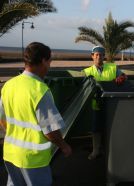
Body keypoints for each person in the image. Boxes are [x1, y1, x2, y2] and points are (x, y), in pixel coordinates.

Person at [0, 42, 72, 186]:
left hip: (10, 154)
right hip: (33, 159)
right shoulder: (40, 91)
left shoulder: (9, 85)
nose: (50, 65)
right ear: (44, 61)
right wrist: (64, 146)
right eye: (49, 61)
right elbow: (50, 131)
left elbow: (2, 119)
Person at [83, 46, 126, 160]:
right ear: (92, 56)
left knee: (113, 126)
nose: (98, 57)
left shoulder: (112, 67)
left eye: (101, 55)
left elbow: (123, 75)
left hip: (112, 102)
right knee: (96, 127)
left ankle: (112, 150)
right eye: (96, 55)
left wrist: (122, 77)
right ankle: (96, 150)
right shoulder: (87, 71)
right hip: (96, 103)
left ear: (104, 56)